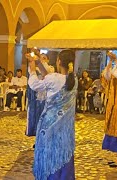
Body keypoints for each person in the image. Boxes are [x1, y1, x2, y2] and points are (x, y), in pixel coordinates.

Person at [27, 49, 77, 180]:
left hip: (49, 126)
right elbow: (49, 75)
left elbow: (35, 84)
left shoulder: (54, 79)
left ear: (59, 61)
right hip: (65, 129)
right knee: (63, 152)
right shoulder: (73, 80)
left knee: (49, 153)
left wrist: (32, 70)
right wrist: (38, 62)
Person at [26, 53, 49, 137]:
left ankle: (42, 135)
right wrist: (32, 62)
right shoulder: (35, 68)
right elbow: (32, 77)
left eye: (44, 58)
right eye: (41, 58)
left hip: (45, 95)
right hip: (36, 94)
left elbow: (46, 75)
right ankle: (36, 133)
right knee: (35, 114)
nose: (42, 59)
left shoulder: (50, 68)